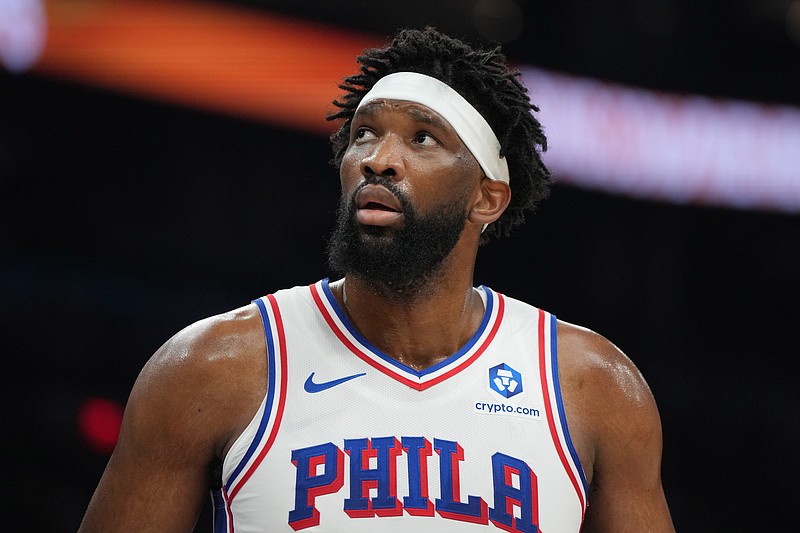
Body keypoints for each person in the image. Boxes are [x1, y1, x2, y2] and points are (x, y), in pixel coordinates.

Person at [79, 27, 674, 532]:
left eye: (422, 139)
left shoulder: (594, 390)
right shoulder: (211, 368)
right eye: (365, 133)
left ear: (487, 199)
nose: (379, 158)